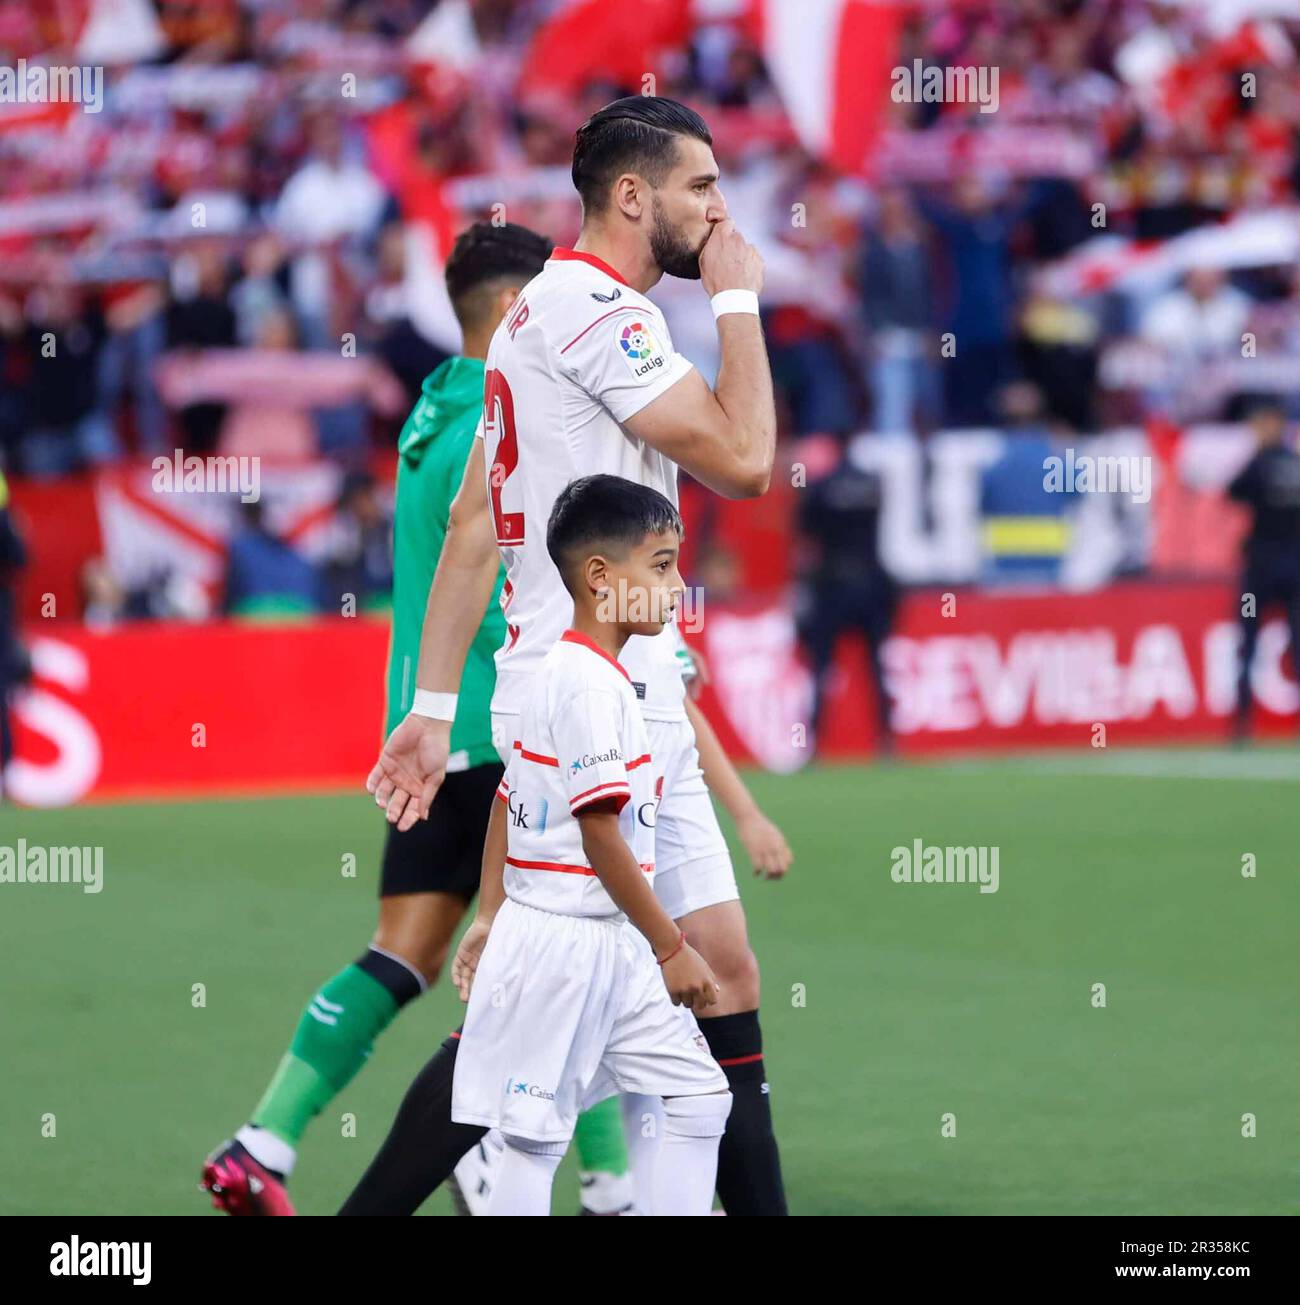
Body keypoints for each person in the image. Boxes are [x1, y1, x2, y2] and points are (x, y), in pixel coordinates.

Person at [362, 95, 791, 1216]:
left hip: (605, 685)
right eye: (700, 188)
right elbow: (746, 461)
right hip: (591, 701)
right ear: (635, 195)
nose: (717, 211)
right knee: (530, 1013)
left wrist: (430, 701)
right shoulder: (602, 312)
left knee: (717, 975)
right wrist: (738, 293)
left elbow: (472, 527)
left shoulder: (531, 317)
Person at [199, 221, 648, 1215]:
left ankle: (263, 1138)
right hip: (504, 729)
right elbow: (504, 575)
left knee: (407, 953)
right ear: (513, 311)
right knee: (582, 945)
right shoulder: (503, 421)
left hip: (433, 731)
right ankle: (606, 1182)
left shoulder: (431, 418)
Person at [450, 475, 733, 1216]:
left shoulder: (585, 674)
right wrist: (672, 945)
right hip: (567, 945)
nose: (677, 588)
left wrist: (486, 914)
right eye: (663, 565)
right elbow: (600, 829)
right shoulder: (585, 688)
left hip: (608, 944)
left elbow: (509, 796)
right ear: (601, 578)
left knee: (701, 1096)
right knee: (536, 1138)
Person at [1226, 399, 1300, 737]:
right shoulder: (1294, 462)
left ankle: (1242, 722)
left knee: (1250, 641)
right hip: (1293, 567)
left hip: (1262, 569)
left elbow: (1233, 491)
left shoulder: (1261, 463)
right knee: (1294, 641)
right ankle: (1243, 720)